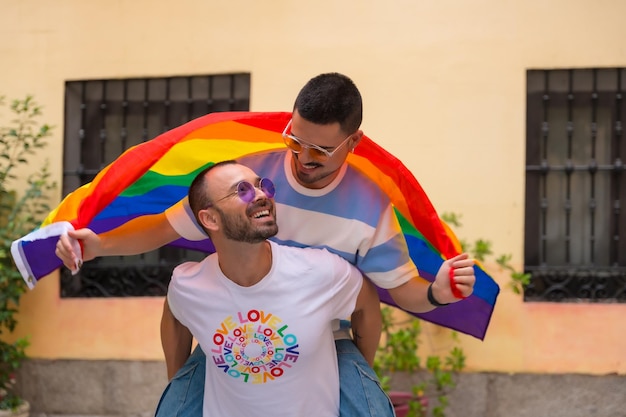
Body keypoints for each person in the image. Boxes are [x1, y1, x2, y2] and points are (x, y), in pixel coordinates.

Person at [56, 72, 476, 417]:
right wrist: (98, 246)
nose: (303, 157)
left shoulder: (369, 209)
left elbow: (394, 293)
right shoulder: (250, 178)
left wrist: (436, 293)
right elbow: (164, 228)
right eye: (295, 140)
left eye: (321, 150)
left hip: (326, 338)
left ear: (353, 142)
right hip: (242, 332)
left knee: (367, 409)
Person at [163, 160, 381, 416]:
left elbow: (366, 302)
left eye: (262, 186)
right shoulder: (189, 284)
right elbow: (175, 316)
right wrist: (179, 384)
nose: (262, 195)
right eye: (242, 190)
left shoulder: (321, 272)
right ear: (210, 218)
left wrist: (360, 369)